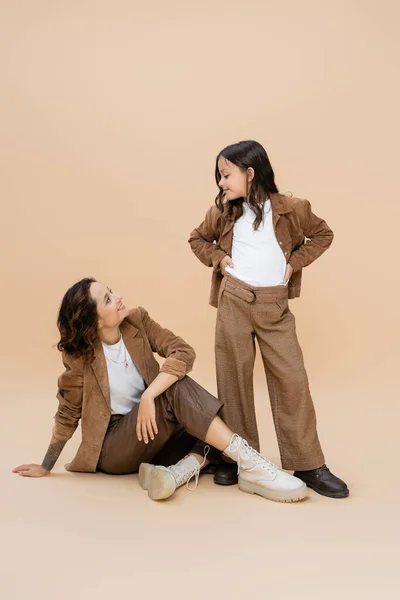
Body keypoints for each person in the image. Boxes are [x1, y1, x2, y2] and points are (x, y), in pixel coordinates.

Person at [12, 278, 307, 503]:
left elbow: (183, 351)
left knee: (211, 419)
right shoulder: (79, 358)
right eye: (107, 299)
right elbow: (68, 414)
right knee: (177, 390)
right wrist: (45, 465)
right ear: (94, 320)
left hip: (153, 431)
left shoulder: (137, 321)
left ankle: (174, 474)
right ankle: (252, 465)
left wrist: (149, 395)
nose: (118, 298)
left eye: (112, 292)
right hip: (114, 446)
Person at [188, 140, 349, 498]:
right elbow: (198, 239)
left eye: (226, 174)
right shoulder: (225, 213)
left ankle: (308, 464)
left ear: (250, 173)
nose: (221, 183)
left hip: (275, 306)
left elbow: (323, 234)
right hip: (234, 300)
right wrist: (218, 258)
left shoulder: (293, 208)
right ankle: (238, 460)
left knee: (292, 379)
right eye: (219, 176)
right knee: (234, 381)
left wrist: (295, 262)